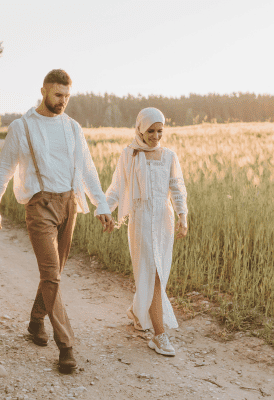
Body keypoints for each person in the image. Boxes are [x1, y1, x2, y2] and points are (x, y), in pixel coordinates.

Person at [0, 69, 115, 373]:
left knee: (55, 272)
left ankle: (36, 319)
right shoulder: (22, 127)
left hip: (70, 203)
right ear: (43, 91)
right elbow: (4, 170)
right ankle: (66, 346)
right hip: (39, 205)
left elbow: (88, 169)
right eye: (57, 95)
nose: (63, 101)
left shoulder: (73, 127)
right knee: (52, 274)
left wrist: (101, 204)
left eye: (67, 96)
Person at [105, 107, 188, 357]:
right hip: (140, 221)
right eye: (150, 130)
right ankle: (159, 336)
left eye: (160, 130)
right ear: (140, 129)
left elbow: (177, 187)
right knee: (153, 274)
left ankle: (137, 312)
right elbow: (117, 187)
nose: (155, 136)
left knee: (158, 271)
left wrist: (183, 216)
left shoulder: (169, 156)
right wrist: (106, 210)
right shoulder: (129, 154)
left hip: (163, 221)